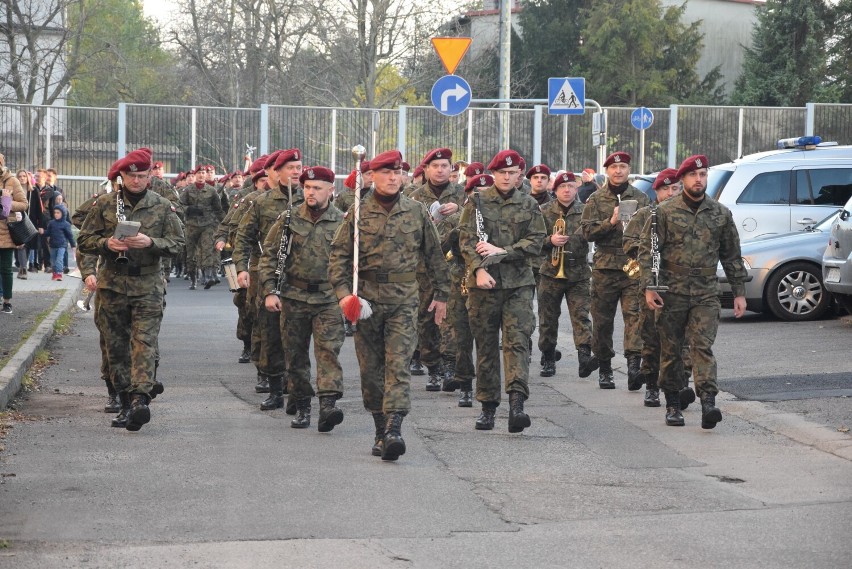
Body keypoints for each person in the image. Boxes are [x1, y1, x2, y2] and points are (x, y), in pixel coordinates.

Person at [328, 149, 449, 461]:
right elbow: (338, 257)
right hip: (366, 300)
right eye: (386, 173)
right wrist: (344, 295)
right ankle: (380, 428)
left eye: (398, 173)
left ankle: (395, 428)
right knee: (371, 371)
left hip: (405, 299)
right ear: (372, 176)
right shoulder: (357, 211)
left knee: (398, 365)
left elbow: (435, 257)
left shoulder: (417, 211)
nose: (393, 178)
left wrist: (442, 296)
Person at [78, 147, 185, 431]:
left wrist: (151, 243)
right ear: (122, 176)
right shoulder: (104, 204)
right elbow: (84, 239)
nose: (136, 180)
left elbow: (178, 244)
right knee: (115, 347)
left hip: (147, 285)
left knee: (144, 343)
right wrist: (106, 244)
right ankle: (125, 401)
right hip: (112, 284)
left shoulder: (162, 205)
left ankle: (140, 399)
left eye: (141, 175)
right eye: (130, 175)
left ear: (150, 176)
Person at [641, 155, 747, 428]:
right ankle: (673, 403)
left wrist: (738, 292)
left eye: (702, 174)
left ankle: (708, 403)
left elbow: (732, 256)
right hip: (671, 290)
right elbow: (650, 252)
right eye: (693, 175)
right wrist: (650, 287)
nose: (698, 179)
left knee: (702, 347)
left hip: (705, 291)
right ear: (682, 179)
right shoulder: (664, 212)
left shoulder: (720, 213)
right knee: (672, 349)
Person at [458, 149, 546, 433]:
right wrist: (478, 269)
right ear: (493, 174)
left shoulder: (529, 204)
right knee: (485, 345)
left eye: (512, 173)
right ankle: (487, 406)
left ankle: (517, 403)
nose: (507, 177)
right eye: (502, 173)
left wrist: (503, 251)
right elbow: (466, 240)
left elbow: (536, 241)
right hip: (483, 286)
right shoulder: (478, 201)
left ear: (520, 175)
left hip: (518, 284)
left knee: (517, 342)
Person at [259, 166, 345, 431]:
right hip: (294, 297)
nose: (310, 192)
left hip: (329, 298)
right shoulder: (289, 219)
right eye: (307, 187)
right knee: (295, 356)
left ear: (331, 190)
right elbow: (269, 257)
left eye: (317, 188)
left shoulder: (343, 221)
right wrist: (270, 290)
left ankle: (328, 405)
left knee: (328, 352)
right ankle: (303, 405)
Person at [236, 148, 303, 402]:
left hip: (298, 274)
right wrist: (242, 267)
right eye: (291, 169)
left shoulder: (308, 198)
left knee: (295, 331)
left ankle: (292, 380)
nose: (296, 173)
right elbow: (243, 237)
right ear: (276, 172)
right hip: (265, 272)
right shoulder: (260, 202)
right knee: (266, 328)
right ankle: (268, 374)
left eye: (299, 168)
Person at [580, 151, 649, 389]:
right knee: (602, 322)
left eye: (623, 166)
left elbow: (650, 232)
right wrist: (610, 222)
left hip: (633, 268)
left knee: (635, 318)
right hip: (605, 269)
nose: (618, 171)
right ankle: (606, 369)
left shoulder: (640, 198)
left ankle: (633, 368)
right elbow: (587, 233)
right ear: (607, 171)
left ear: (629, 170)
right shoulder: (596, 199)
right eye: (613, 167)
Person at [623, 168, 689, 408]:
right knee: (651, 336)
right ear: (657, 191)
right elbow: (628, 243)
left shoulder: (685, 215)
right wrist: (648, 249)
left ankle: (680, 384)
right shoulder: (644, 215)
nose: (672, 193)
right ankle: (651, 385)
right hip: (651, 282)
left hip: (680, 284)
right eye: (666, 189)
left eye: (676, 188)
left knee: (683, 340)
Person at [409, 148, 465, 391]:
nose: (440, 169)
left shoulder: (462, 194)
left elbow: (477, 223)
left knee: (450, 317)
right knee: (425, 317)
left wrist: (460, 211)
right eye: (435, 166)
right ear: (426, 169)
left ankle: (449, 365)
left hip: (453, 266)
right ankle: (431, 365)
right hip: (423, 268)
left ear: (451, 169)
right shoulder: (414, 196)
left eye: (445, 165)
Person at [436, 173, 493, 406]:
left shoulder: (496, 216)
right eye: (475, 192)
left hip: (488, 280)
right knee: (462, 336)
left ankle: (486, 386)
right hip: (460, 279)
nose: (480, 195)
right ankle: (465, 384)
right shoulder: (457, 217)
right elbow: (439, 248)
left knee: (486, 337)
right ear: (468, 194)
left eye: (485, 191)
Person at [537, 171, 596, 378]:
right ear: (555, 190)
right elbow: (534, 241)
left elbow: (593, 234)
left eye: (571, 186)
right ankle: (548, 358)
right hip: (551, 272)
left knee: (581, 316)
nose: (567, 190)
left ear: (576, 189)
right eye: (563, 187)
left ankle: (584, 358)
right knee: (548, 318)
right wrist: (549, 241)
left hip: (578, 272)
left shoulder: (586, 210)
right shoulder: (544, 210)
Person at [180, 164, 224, 289]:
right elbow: (179, 205)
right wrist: (189, 209)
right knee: (190, 254)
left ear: (205, 175)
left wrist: (225, 224)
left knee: (207, 250)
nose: (201, 175)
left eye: (203, 173)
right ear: (195, 175)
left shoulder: (212, 191)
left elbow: (218, 209)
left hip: (207, 225)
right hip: (191, 225)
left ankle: (207, 276)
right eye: (198, 173)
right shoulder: (188, 190)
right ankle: (193, 280)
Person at [0, 154, 28, 314]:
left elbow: (24, 204)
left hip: (6, 231)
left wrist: (7, 202)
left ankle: (7, 301)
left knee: (5, 268)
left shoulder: (12, 180)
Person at [44, 206, 75, 280]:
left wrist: (73, 245)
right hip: (53, 245)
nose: (56, 214)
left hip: (62, 245)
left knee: (59, 260)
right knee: (53, 261)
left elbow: (70, 236)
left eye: (58, 213)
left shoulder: (66, 224)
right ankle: (55, 274)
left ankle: (59, 274)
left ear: (63, 214)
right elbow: (48, 233)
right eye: (55, 213)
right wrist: (43, 232)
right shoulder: (51, 223)